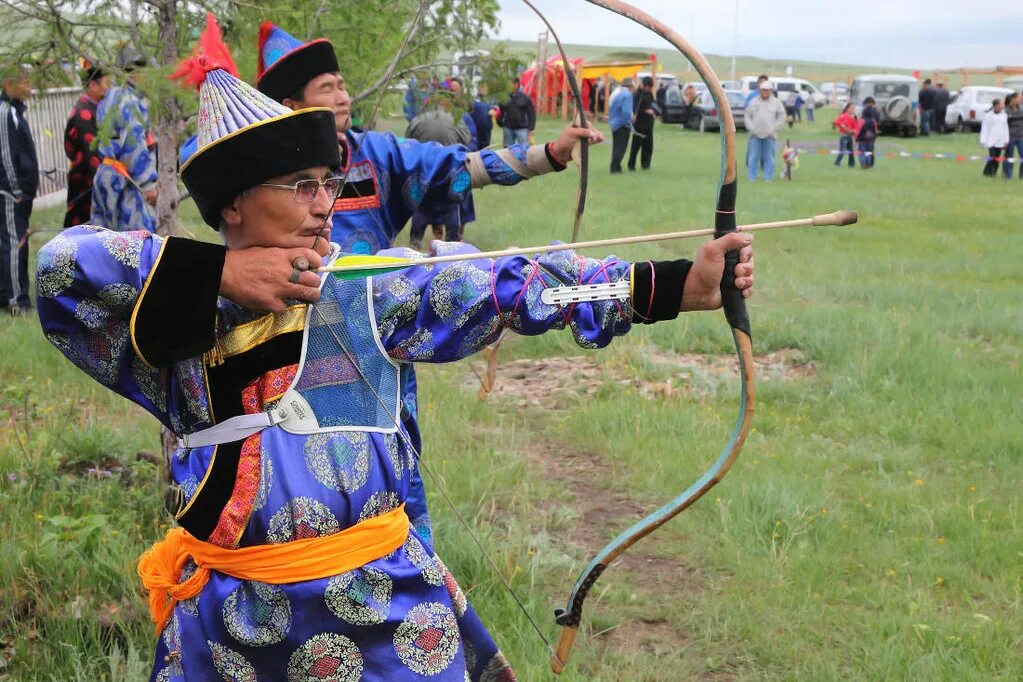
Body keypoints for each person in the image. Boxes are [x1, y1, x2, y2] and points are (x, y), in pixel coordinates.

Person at [36, 18, 755, 680]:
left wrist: (671, 287)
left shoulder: (366, 291)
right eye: (300, 186)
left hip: (384, 614)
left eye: (327, 183)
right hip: (228, 625)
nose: (324, 203)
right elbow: (61, 269)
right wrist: (221, 274)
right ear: (232, 207)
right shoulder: (171, 321)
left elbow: (514, 289)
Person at [254, 21, 603, 549]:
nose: (345, 96)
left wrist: (547, 155)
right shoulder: (255, 172)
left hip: (377, 339)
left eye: (343, 84)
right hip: (285, 355)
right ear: (289, 105)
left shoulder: (376, 156)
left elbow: (459, 169)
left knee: (396, 484)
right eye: (328, 89)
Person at [90, 48, 158, 231]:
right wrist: (147, 184)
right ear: (135, 72)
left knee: (105, 240)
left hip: (106, 176)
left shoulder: (109, 97)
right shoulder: (129, 102)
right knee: (134, 246)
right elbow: (133, 146)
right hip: (125, 181)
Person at [0, 68, 38, 315]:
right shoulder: (4, 113)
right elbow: (6, 155)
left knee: (16, 243)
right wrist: (17, 191)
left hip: (19, 195)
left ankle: (9, 295)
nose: (29, 88)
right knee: (15, 245)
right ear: (9, 83)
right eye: (25, 83)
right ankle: (16, 302)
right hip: (11, 194)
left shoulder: (15, 111)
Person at [63, 65, 111, 227]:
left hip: (92, 178)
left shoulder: (95, 108)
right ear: (92, 85)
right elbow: (91, 155)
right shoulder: (84, 113)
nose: (108, 87)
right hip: (87, 181)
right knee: (83, 228)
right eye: (106, 83)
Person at [745, 80, 785, 182]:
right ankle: (751, 178)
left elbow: (781, 116)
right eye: (763, 90)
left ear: (771, 90)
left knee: (769, 158)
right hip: (755, 135)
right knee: (753, 158)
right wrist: (751, 128)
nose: (765, 92)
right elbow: (747, 116)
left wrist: (774, 128)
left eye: (767, 90)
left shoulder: (776, 102)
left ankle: (768, 178)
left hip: (770, 135)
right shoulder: (753, 101)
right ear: (759, 90)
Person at [496, 77, 535, 147]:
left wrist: (531, 128)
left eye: (512, 83)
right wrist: (500, 122)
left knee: (524, 149)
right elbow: (500, 112)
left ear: (517, 84)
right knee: (507, 150)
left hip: (522, 128)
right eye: (509, 83)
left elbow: (531, 113)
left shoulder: (525, 98)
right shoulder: (504, 98)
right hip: (508, 128)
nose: (510, 85)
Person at [628, 76, 656, 171]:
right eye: (648, 87)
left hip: (648, 124)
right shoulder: (637, 95)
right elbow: (635, 109)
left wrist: (654, 111)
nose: (649, 89)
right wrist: (645, 111)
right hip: (639, 125)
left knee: (648, 146)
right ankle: (631, 165)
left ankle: (645, 165)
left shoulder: (649, 94)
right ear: (644, 85)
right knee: (636, 146)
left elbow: (652, 105)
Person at [608, 77, 635, 173]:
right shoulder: (628, 95)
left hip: (614, 123)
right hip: (622, 125)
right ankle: (615, 168)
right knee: (621, 148)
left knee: (616, 147)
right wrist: (629, 122)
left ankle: (615, 166)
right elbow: (626, 112)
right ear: (631, 86)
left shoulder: (617, 93)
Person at [979, 97, 1008, 178]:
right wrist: (983, 141)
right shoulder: (988, 116)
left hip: (1000, 140)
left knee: (997, 158)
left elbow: (1005, 128)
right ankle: (987, 172)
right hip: (991, 140)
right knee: (992, 157)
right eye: (1001, 103)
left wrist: (1006, 140)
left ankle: (993, 172)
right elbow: (984, 129)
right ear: (996, 105)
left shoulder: (1004, 115)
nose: (1003, 105)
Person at [1002, 91, 1023, 179]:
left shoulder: (1020, 109)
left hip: (1020, 136)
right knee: (1008, 156)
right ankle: (1008, 175)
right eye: (1019, 98)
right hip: (1009, 137)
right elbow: (1002, 124)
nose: (1021, 100)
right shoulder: (1006, 110)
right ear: (1013, 99)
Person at [855, 97, 880, 169]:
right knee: (869, 152)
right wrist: (874, 137)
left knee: (862, 152)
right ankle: (869, 164)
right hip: (871, 139)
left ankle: (863, 164)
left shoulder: (862, 121)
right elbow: (876, 130)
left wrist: (856, 138)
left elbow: (858, 130)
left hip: (862, 139)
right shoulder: (873, 121)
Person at [833, 103, 857, 168]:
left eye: (854, 108)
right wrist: (844, 127)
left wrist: (853, 131)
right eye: (852, 108)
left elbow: (855, 127)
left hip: (850, 136)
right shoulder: (843, 116)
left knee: (851, 151)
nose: (853, 110)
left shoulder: (853, 118)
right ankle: (837, 163)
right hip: (844, 136)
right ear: (847, 108)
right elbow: (837, 122)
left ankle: (851, 164)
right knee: (842, 151)